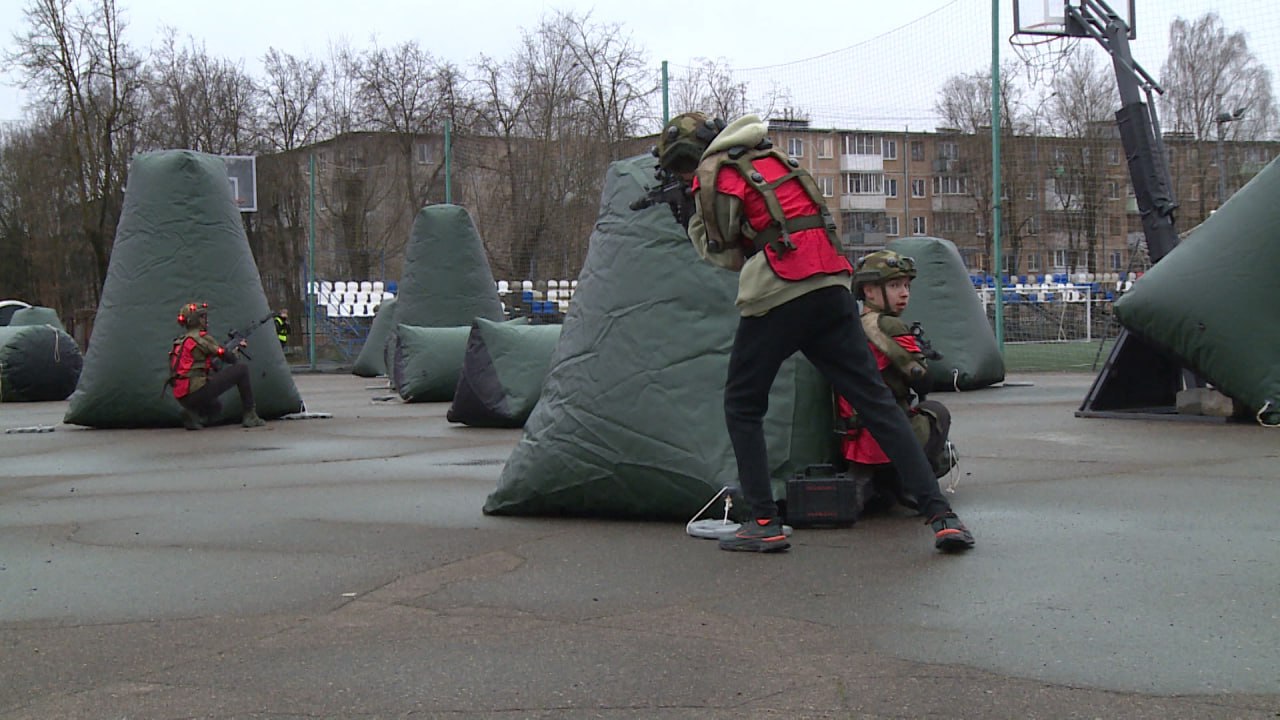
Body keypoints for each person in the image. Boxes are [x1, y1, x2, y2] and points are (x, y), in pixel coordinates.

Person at [654, 112, 974, 553]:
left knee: (742, 405)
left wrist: (689, 217)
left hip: (779, 293)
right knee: (878, 404)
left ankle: (763, 520)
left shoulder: (716, 173)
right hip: (831, 287)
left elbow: (725, 254)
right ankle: (942, 517)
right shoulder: (771, 157)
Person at [838, 250, 957, 511]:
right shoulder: (890, 326)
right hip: (888, 431)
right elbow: (922, 380)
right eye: (894, 285)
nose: (904, 293)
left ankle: (871, 480)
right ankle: (907, 482)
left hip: (851, 435)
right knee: (937, 413)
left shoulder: (851, 326)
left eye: (906, 286)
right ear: (869, 291)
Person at [168, 302, 267, 430]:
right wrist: (235, 348)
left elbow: (206, 365)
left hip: (182, 396)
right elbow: (228, 358)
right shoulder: (201, 338)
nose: (206, 320)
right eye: (203, 317)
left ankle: (192, 414)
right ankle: (250, 415)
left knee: (216, 407)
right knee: (242, 370)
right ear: (196, 321)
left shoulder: (181, 340)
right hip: (196, 391)